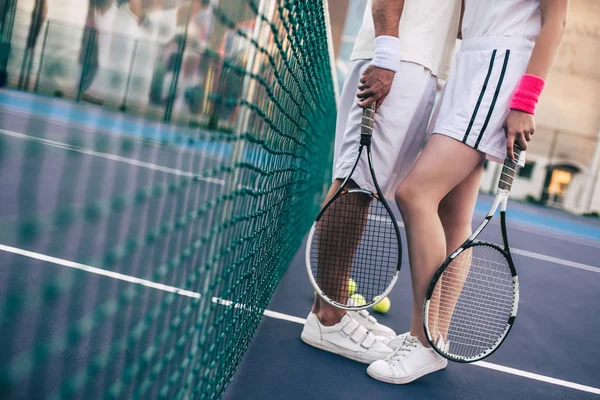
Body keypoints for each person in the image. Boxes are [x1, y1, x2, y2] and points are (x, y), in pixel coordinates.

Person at [366, 0, 568, 384]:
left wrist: (526, 101)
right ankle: (435, 338)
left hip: (500, 65)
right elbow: (462, 24)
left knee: (415, 193)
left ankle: (422, 340)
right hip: (470, 61)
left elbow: (557, 20)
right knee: (452, 213)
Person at [300, 0, 462, 365]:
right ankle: (328, 317)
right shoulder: (393, 55)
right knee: (355, 183)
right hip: (398, 59)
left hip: (417, 62)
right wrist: (387, 53)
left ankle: (334, 304)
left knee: (364, 186)